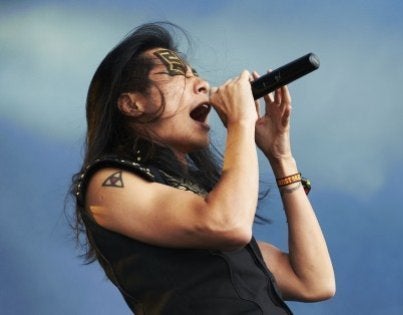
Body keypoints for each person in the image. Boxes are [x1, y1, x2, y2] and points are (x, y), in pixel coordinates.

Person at [70, 22, 335, 314]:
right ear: (132, 104)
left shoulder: (206, 201)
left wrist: (281, 158)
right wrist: (241, 122)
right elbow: (228, 225)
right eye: (180, 76)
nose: (202, 85)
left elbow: (314, 281)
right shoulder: (108, 182)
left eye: (196, 74)